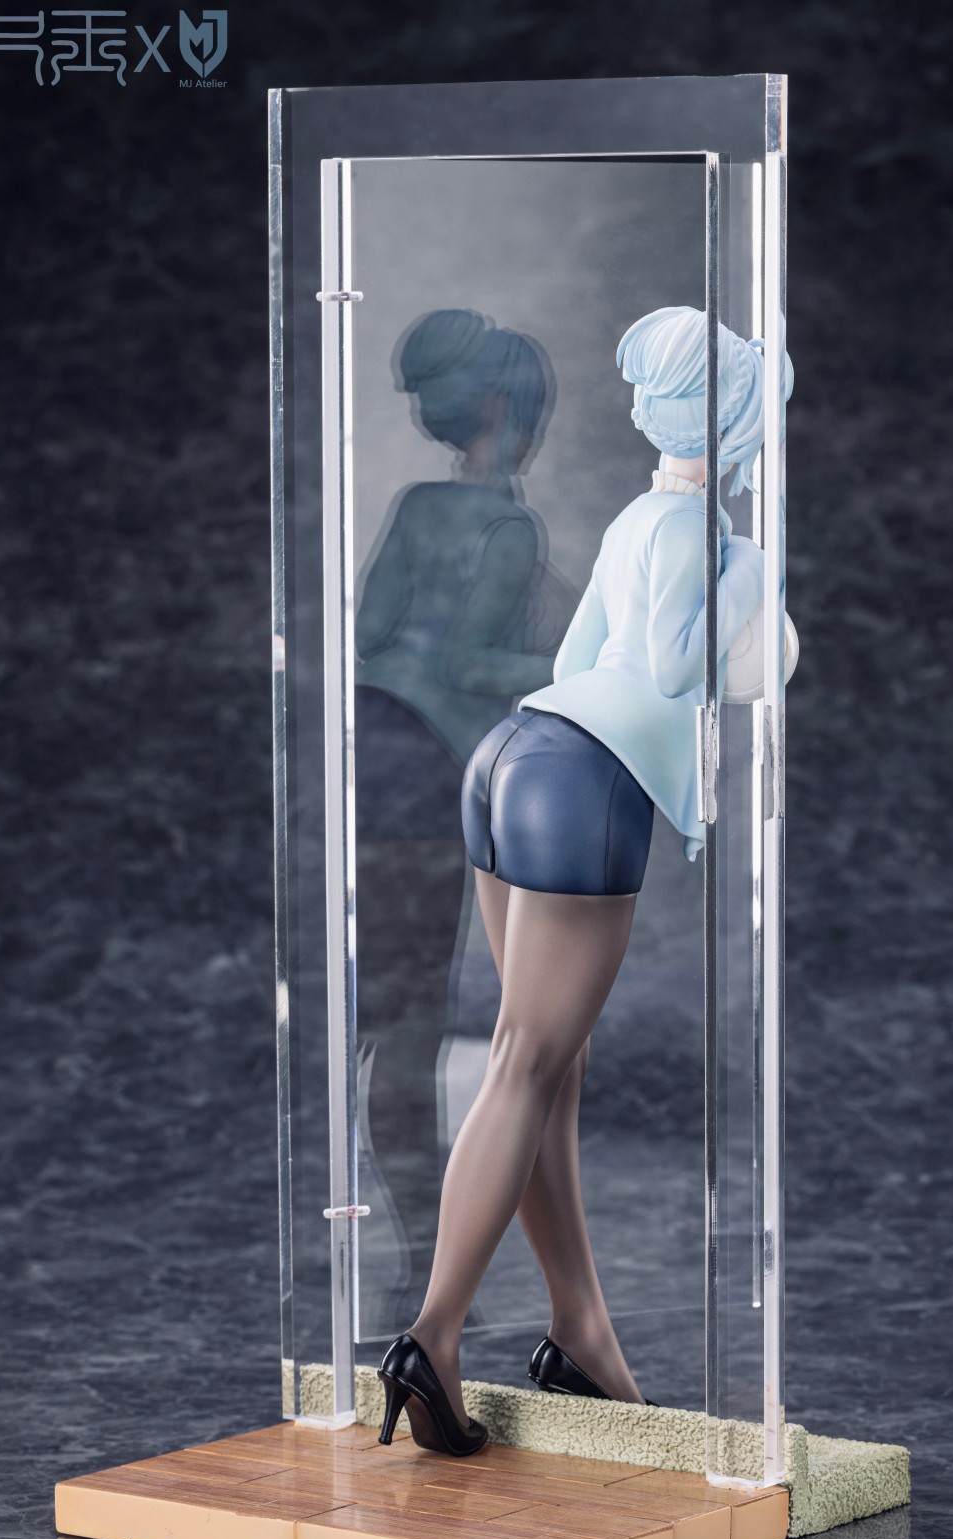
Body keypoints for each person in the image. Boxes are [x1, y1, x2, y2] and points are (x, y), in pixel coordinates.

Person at [376, 305, 795, 1456]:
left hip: (511, 753)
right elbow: (671, 666)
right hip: (583, 782)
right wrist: (752, 583)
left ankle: (581, 1331)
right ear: (739, 425)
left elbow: (573, 660)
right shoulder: (706, 536)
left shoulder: (635, 517)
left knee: (547, 1067)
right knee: (527, 1059)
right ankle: (431, 1338)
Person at [353, 309, 569, 1334]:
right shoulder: (506, 529)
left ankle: (413, 1272)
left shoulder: (413, 506)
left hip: (366, 756)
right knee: (407, 1030)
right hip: (428, 776)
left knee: (371, 1022)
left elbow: (368, 635)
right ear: (501, 411)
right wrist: (587, 661)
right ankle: (422, 1280)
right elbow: (470, 663)